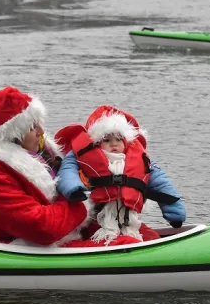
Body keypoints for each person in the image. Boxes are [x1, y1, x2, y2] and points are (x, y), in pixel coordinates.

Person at [0, 86, 92, 247]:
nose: (41, 131)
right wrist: (79, 201)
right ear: (12, 136)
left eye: (39, 123)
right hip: (15, 245)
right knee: (125, 244)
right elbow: (42, 228)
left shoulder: (38, 150)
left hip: (57, 230)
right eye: (31, 128)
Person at [55, 105, 186, 245]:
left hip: (128, 221)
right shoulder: (83, 156)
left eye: (118, 139)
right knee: (125, 242)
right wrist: (73, 189)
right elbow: (67, 171)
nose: (114, 144)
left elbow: (161, 184)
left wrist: (174, 212)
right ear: (97, 142)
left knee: (152, 237)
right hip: (97, 222)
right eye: (107, 140)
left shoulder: (139, 160)